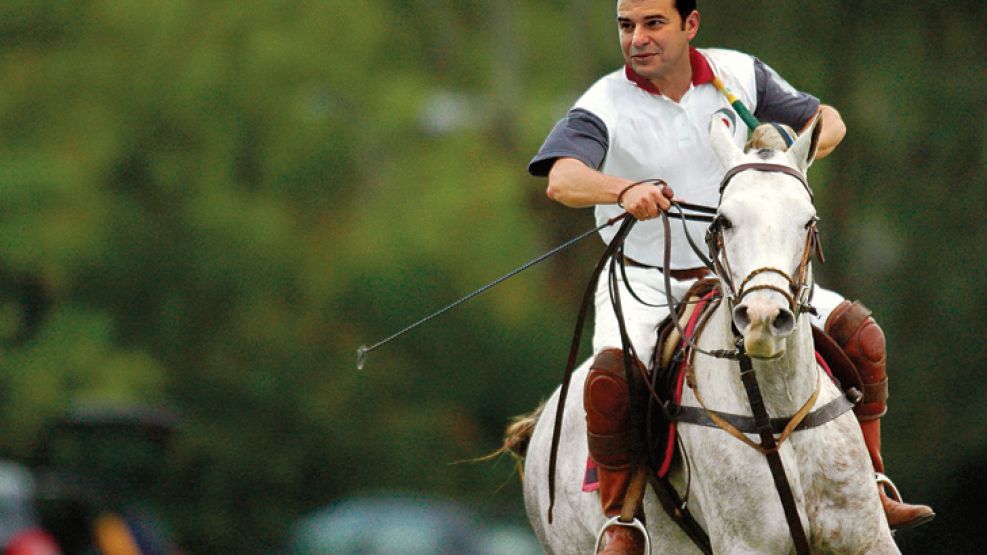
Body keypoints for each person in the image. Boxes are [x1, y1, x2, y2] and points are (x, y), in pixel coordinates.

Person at [527, 0, 934, 553]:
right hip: (649, 281)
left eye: (653, 24)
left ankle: (874, 482)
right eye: (627, 26)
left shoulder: (738, 73)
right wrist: (621, 190)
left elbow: (829, 121)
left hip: (746, 269)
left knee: (861, 336)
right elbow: (563, 179)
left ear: (690, 25)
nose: (637, 39)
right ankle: (622, 517)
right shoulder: (605, 103)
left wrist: (788, 153)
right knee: (612, 382)